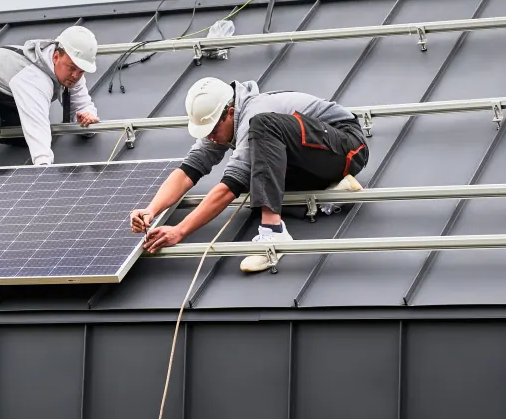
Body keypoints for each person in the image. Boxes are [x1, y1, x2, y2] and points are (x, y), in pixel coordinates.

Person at [130, 77, 370, 273]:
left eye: (212, 130)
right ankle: (333, 192)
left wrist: (180, 230)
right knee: (256, 183)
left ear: (230, 112)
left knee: (260, 133)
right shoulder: (222, 123)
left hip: (347, 146)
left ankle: (273, 232)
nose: (210, 137)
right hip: (317, 161)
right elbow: (188, 171)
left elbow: (229, 186)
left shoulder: (254, 114)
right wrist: (152, 209)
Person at [0, 25, 103, 168]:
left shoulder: (72, 74)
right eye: (72, 68)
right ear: (56, 56)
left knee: (22, 137)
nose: (75, 75)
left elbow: (82, 106)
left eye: (81, 71)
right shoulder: (35, 77)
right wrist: (44, 166)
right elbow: (36, 123)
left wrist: (88, 117)